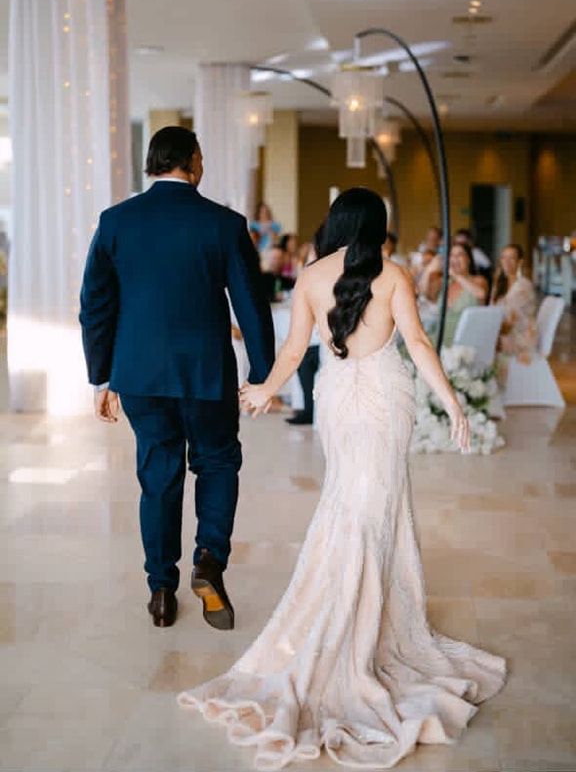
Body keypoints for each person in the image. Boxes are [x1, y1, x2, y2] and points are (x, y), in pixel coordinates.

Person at [178, 188, 507, 768]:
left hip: (338, 399)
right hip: (384, 399)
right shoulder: (395, 274)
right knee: (370, 508)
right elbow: (420, 344)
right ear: (377, 225)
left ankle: (356, 612)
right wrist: (451, 404)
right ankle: (355, 623)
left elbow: (291, 351)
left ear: (335, 222)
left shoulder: (310, 276)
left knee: (351, 505)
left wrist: (263, 389)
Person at [79, 126, 275, 631]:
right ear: (192, 161)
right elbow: (250, 304)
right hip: (207, 372)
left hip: (140, 376)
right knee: (217, 462)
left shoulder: (116, 222)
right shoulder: (224, 224)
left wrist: (101, 377)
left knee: (158, 476)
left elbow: (95, 306)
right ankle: (208, 559)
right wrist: (262, 374)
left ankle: (161, 590)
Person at [286, 224, 324, 426]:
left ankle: (309, 410)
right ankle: (307, 408)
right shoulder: (313, 269)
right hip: (316, 337)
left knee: (304, 360)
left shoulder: (316, 271)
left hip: (320, 340)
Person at [424, 242, 488, 347]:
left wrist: (456, 275)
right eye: (452, 255)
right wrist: (429, 269)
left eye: (459, 255)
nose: (455, 259)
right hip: (440, 337)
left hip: (464, 341)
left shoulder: (479, 280)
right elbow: (426, 294)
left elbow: (481, 294)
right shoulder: (446, 282)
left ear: (468, 259)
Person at [491, 244, 538, 385]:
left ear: (520, 262)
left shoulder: (523, 286)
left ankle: (489, 385)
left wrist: (491, 332)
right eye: (504, 257)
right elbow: (491, 311)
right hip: (504, 331)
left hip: (520, 336)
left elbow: (510, 323)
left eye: (511, 258)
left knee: (485, 342)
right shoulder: (500, 284)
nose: (506, 262)